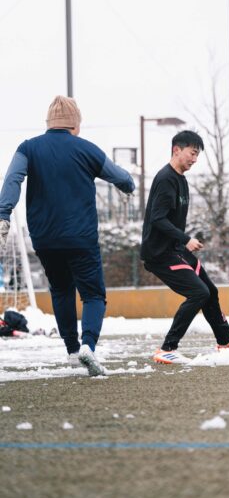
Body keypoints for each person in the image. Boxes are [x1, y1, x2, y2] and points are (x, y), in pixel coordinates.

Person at [0, 96, 135, 376]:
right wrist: (128, 185)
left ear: (49, 123)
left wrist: (3, 213)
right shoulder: (86, 149)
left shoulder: (28, 148)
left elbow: (13, 179)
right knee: (93, 295)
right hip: (80, 237)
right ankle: (88, 346)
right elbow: (120, 177)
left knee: (61, 290)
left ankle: (72, 351)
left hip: (44, 239)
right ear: (75, 124)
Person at [141, 129, 229, 363]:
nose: (195, 159)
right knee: (198, 293)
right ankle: (167, 348)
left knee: (210, 291)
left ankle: (225, 340)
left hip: (176, 251)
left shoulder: (181, 180)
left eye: (197, 155)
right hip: (160, 254)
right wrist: (185, 238)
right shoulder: (165, 179)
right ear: (176, 150)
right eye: (192, 153)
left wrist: (182, 242)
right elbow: (157, 218)